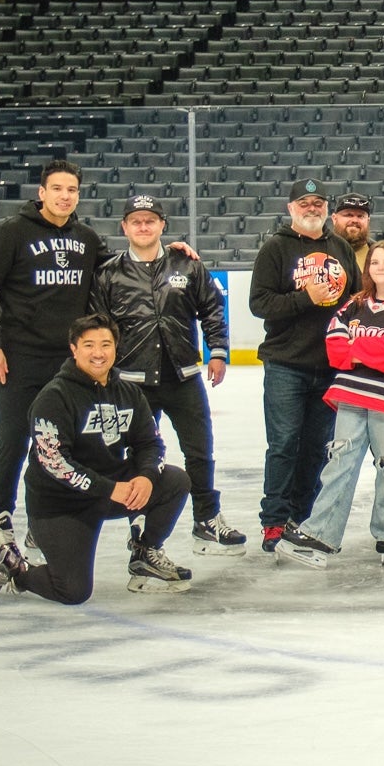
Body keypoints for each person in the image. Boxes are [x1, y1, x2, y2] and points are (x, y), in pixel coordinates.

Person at [0, 313, 195, 601]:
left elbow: (151, 444)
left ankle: (146, 553)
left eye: (106, 344)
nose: (98, 353)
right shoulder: (54, 398)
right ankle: (14, 568)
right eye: (89, 345)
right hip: (61, 503)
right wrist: (111, 489)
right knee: (72, 591)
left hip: (108, 492)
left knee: (174, 481)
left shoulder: (129, 393)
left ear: (116, 348)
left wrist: (145, 477)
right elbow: (56, 464)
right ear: (74, 349)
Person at [86, 193, 238, 554]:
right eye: (135, 221)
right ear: (124, 226)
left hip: (182, 376)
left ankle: (207, 519)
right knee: (139, 457)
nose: (143, 226)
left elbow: (212, 310)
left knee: (200, 452)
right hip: (131, 383)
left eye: (150, 220)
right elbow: (97, 329)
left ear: (162, 225)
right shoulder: (108, 273)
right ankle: (138, 520)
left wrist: (217, 352)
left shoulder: (186, 265)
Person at [0, 159, 113, 548]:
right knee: (16, 437)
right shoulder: (13, 232)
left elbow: (118, 272)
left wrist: (166, 251)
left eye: (72, 190)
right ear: (42, 193)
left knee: (62, 444)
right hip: (20, 358)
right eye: (57, 189)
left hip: (69, 362)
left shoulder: (86, 237)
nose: (65, 196)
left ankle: (47, 518)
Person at [274, 241, 384, 568]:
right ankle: (321, 534)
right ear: (367, 268)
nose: (380, 268)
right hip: (351, 395)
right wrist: (365, 350)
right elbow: (334, 345)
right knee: (339, 463)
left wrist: (357, 347)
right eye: (374, 262)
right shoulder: (353, 303)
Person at [248, 177, 360, 553]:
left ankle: (301, 516)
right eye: (305, 203)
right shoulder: (275, 249)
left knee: (315, 447)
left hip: (330, 367)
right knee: (283, 444)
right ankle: (274, 521)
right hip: (286, 364)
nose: (312, 208)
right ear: (291, 208)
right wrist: (305, 298)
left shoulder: (340, 247)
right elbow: (260, 304)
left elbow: (355, 302)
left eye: (318, 202)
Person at [330, 192, 373, 265]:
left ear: (368, 221)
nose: (355, 220)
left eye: (360, 216)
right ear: (334, 219)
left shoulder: (379, 253)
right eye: (349, 215)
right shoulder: (321, 250)